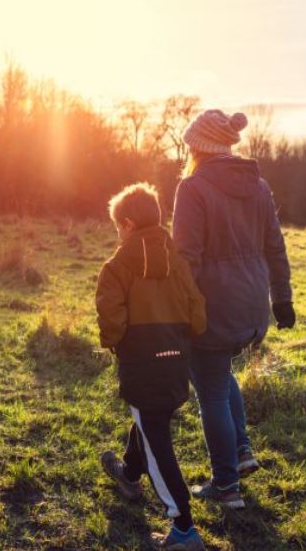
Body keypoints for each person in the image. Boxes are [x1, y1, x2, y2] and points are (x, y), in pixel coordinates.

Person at [171, 110, 294, 510]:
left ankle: (226, 487)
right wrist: (282, 299)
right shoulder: (258, 186)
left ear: (197, 147)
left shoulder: (192, 188)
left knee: (209, 388)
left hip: (213, 307)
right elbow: (275, 247)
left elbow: (185, 258)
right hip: (252, 306)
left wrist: (175, 310)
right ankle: (241, 452)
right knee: (220, 377)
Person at [96, 182, 208, 551]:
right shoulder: (178, 262)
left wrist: (113, 341)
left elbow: (112, 322)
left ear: (127, 224)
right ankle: (128, 473)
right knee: (150, 420)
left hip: (141, 362)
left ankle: (183, 526)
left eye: (117, 226)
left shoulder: (115, 268)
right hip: (177, 360)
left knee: (157, 442)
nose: (117, 232)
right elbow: (197, 315)